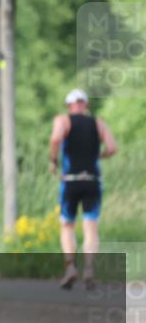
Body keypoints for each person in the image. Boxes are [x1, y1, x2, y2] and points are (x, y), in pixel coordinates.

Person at [49, 88, 117, 290]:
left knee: (67, 225)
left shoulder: (63, 120)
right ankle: (89, 269)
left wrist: (53, 160)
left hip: (70, 180)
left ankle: (70, 267)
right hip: (92, 180)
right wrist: (98, 156)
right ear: (86, 105)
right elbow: (112, 148)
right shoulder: (98, 123)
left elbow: (55, 139)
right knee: (90, 226)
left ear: (69, 106)